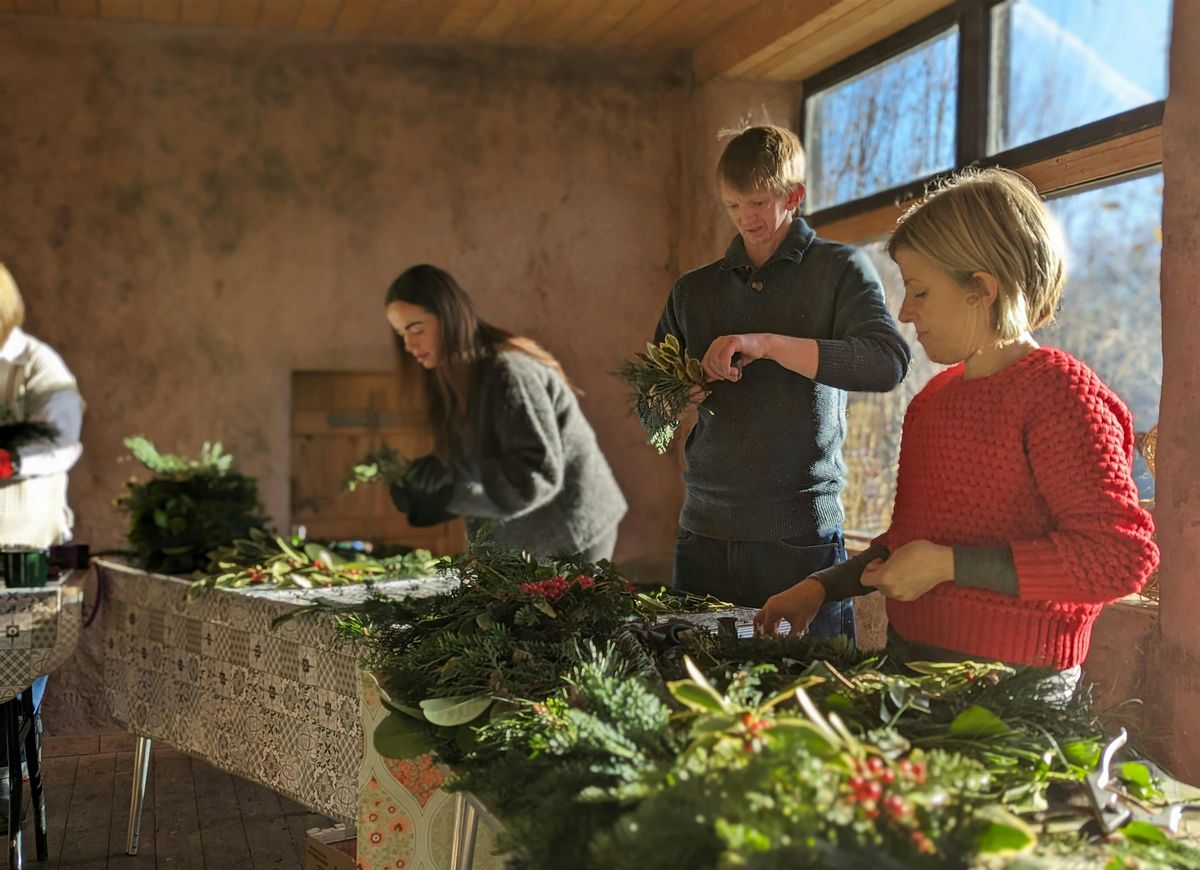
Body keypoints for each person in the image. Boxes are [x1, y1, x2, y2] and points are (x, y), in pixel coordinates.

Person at [753, 168, 1159, 685]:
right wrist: (818, 589)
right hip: (910, 667)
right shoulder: (933, 401)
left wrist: (948, 566)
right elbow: (911, 546)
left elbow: (1118, 559)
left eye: (919, 291)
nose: (904, 312)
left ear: (981, 290)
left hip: (1016, 691)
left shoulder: (1062, 398)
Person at [655, 125, 910, 639]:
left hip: (801, 540)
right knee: (691, 697)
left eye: (758, 202)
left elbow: (887, 362)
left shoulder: (840, 270)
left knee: (809, 697)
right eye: (732, 206)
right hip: (702, 536)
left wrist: (767, 344)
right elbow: (649, 402)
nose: (745, 219)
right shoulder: (692, 291)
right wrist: (684, 391)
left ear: (794, 196)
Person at [383, 264, 627, 562]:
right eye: (401, 334)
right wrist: (432, 479)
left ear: (448, 316)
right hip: (519, 539)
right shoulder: (452, 376)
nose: (408, 344)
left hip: (570, 534)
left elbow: (535, 475)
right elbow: (479, 458)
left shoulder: (509, 372)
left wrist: (452, 494)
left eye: (416, 329)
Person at [0, 263, 85, 830]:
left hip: (24, 546)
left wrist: (7, 459)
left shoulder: (37, 365)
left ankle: (9, 776)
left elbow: (62, 443)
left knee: (18, 665)